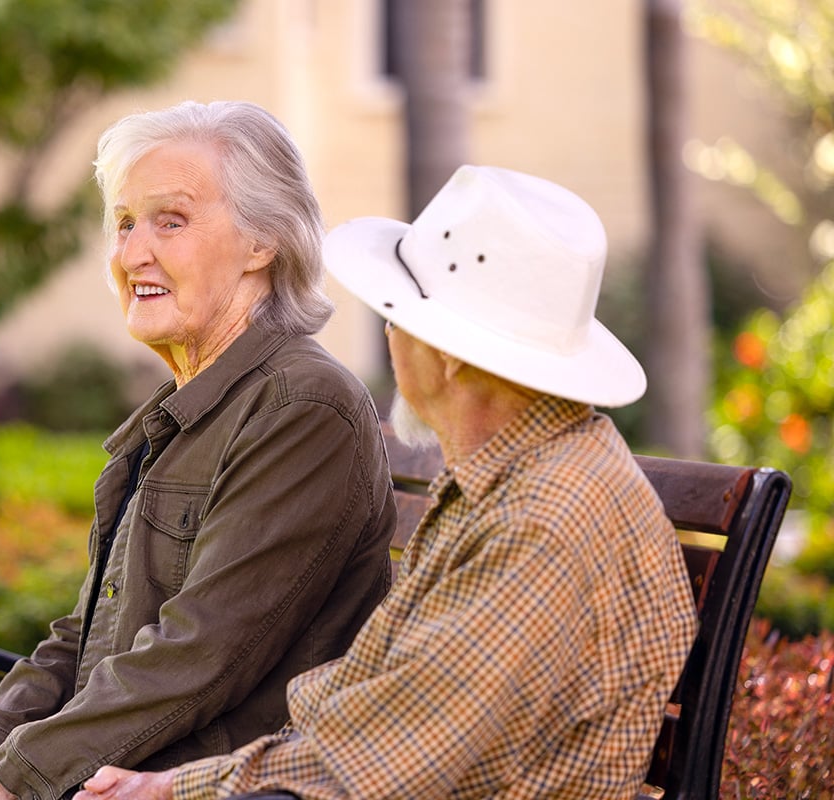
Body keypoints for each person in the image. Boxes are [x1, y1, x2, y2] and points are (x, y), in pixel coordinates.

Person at [71, 165, 699, 800]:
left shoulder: (542, 522)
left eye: (395, 318)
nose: (391, 339)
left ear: (447, 351)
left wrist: (167, 791)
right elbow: (381, 711)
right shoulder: (515, 478)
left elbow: (376, 758)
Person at [0, 101, 397, 800]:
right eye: (124, 223)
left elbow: (201, 653)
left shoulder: (302, 406)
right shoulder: (183, 412)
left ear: (263, 241)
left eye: (171, 221)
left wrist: (10, 779)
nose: (131, 253)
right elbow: (85, 632)